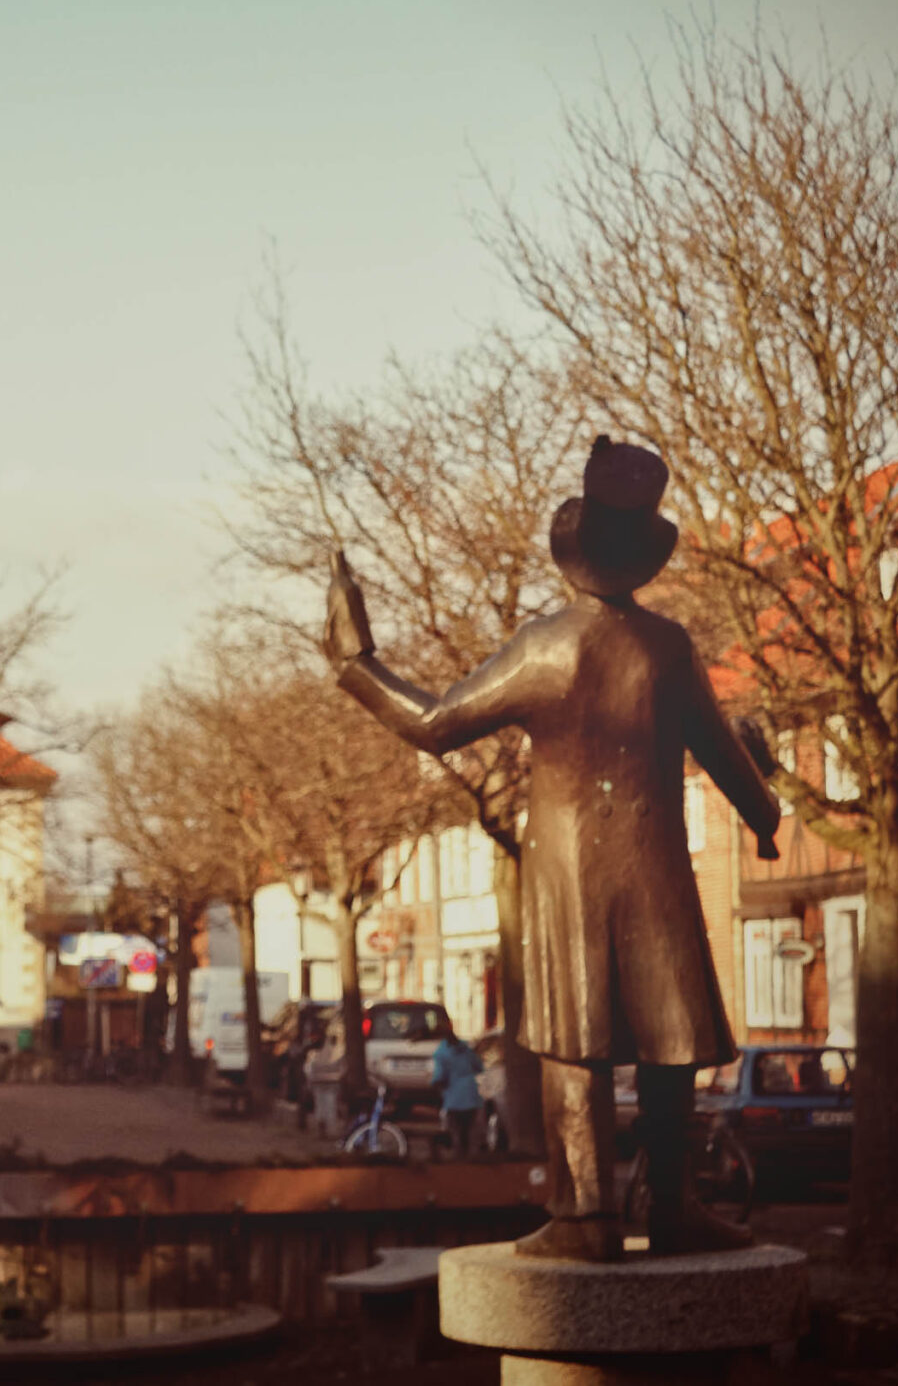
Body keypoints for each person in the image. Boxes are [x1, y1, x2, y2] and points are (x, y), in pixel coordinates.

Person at [327, 437, 782, 1263]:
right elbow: (726, 758)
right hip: (656, 865)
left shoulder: (545, 648)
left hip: (568, 873)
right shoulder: (669, 648)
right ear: (641, 551)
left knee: (579, 1039)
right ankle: (672, 1206)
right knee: (670, 1040)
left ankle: (584, 1216)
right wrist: (766, 813)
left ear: (577, 550)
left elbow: (434, 725)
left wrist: (358, 664)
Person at [434, 1026, 484, 1159]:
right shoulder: (467, 1049)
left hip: (453, 1098)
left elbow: (440, 1076)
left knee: (456, 1130)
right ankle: (471, 1157)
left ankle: (459, 1158)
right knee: (469, 1129)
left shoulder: (441, 1053)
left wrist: (435, 1085)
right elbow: (479, 1067)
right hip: (471, 1095)